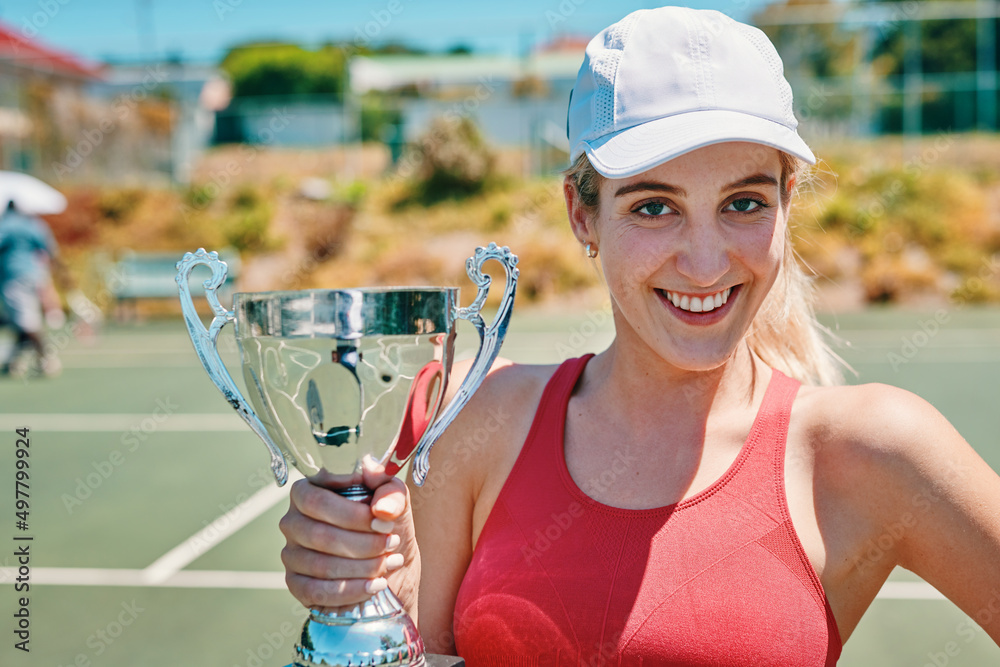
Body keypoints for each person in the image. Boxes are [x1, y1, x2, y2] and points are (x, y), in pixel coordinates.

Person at [278, 7, 1000, 665]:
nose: (707, 260)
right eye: (655, 207)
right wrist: (367, 585)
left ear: (788, 204)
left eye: (744, 202)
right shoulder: (479, 419)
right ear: (582, 215)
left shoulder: (871, 451)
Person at [0, 200, 63, 378]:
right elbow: (50, 250)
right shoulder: (34, 225)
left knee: (26, 322)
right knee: (20, 320)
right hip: (34, 277)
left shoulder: (6, 225)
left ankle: (46, 358)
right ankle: (12, 360)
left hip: (14, 278)